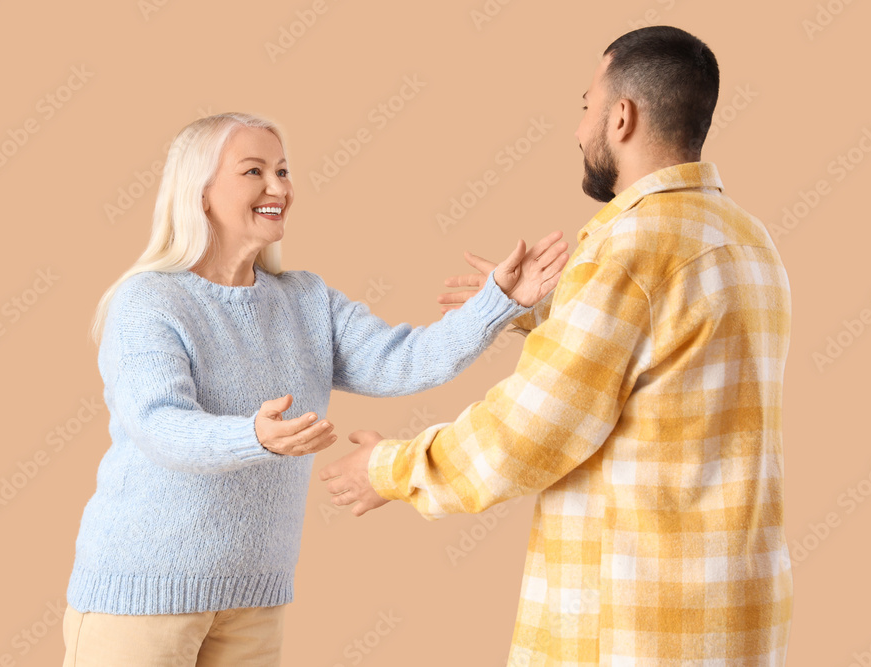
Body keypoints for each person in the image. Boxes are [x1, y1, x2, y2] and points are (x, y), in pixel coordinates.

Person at [321, 25, 794, 666]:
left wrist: (392, 470)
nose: (579, 129)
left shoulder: (633, 248)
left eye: (585, 107)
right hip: (733, 619)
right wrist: (539, 313)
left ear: (621, 117)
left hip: (634, 629)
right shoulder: (747, 239)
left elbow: (529, 434)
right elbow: (670, 370)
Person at [60, 111, 569, 666]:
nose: (279, 187)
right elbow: (160, 427)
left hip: (254, 598)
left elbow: (405, 361)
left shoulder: (306, 299)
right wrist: (254, 437)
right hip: (141, 594)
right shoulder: (150, 301)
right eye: (253, 171)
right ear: (199, 192)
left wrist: (499, 304)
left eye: (282, 170)